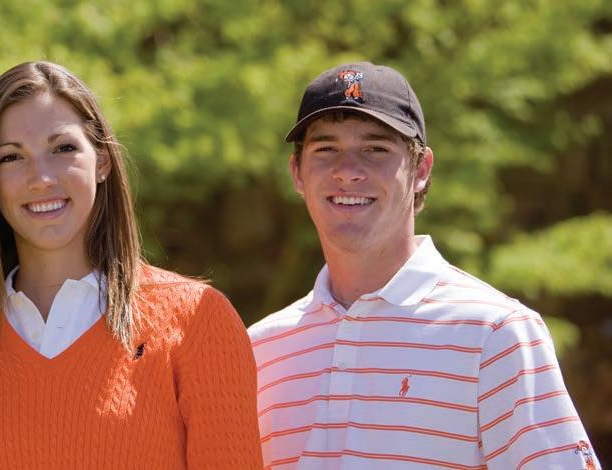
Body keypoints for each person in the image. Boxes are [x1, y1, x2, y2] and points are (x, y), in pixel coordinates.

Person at [0, 61, 263, 469]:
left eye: (63, 148)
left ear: (101, 161)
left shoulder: (198, 321)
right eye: (11, 157)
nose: (41, 178)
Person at [248, 62, 601, 469]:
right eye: (326, 149)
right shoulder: (260, 349)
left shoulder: (496, 334)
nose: (347, 171)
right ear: (297, 172)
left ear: (420, 169)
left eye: (376, 149)